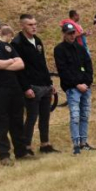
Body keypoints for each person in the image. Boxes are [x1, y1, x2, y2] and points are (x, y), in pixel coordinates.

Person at [12, 14, 60, 155]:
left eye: (35, 24)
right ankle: (26, 146)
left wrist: (50, 83)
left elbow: (42, 63)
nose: (34, 27)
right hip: (31, 86)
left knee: (45, 116)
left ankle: (45, 144)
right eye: (30, 24)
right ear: (22, 25)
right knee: (32, 117)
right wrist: (26, 88)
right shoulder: (17, 43)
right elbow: (19, 70)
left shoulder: (37, 40)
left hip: (44, 85)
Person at [54, 22, 94, 155]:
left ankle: (84, 142)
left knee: (84, 115)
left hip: (85, 87)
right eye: (69, 33)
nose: (71, 36)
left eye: (73, 33)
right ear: (64, 34)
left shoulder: (80, 48)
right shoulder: (59, 49)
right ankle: (76, 144)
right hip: (72, 88)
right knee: (75, 116)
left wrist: (87, 83)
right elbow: (63, 70)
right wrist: (77, 84)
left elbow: (88, 65)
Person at [0, 17, 30, 166]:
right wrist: (9, 61)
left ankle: (21, 152)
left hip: (14, 88)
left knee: (17, 121)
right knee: (0, 123)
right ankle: (4, 155)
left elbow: (20, 63)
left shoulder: (6, 46)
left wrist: (5, 64)